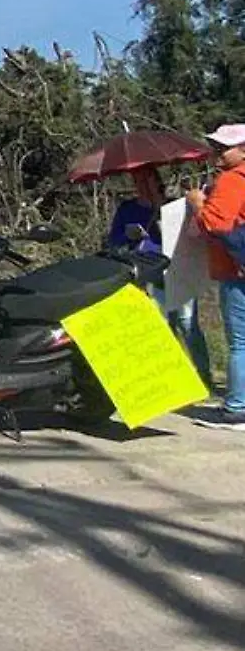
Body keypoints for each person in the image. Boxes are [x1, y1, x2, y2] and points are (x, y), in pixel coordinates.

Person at [109, 166, 215, 393]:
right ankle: (170, 378)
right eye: (137, 181)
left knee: (187, 323)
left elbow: (189, 235)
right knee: (161, 325)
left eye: (146, 180)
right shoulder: (128, 209)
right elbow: (114, 240)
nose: (142, 186)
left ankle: (203, 375)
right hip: (147, 270)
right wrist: (130, 237)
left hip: (177, 268)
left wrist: (161, 212)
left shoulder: (171, 206)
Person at [188, 123, 245, 428]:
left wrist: (198, 205)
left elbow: (216, 224)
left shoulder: (233, 180)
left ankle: (237, 408)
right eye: (216, 147)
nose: (217, 153)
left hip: (236, 270)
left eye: (224, 148)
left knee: (240, 342)